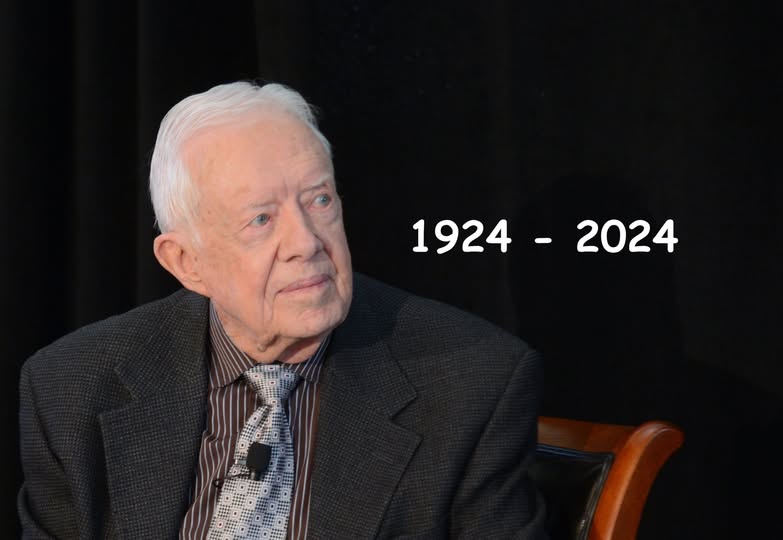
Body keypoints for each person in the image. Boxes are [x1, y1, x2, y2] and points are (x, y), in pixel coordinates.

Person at [17, 81, 547, 539]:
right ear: (186, 262)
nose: (306, 242)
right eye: (261, 220)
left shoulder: (470, 384)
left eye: (320, 200)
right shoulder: (73, 388)